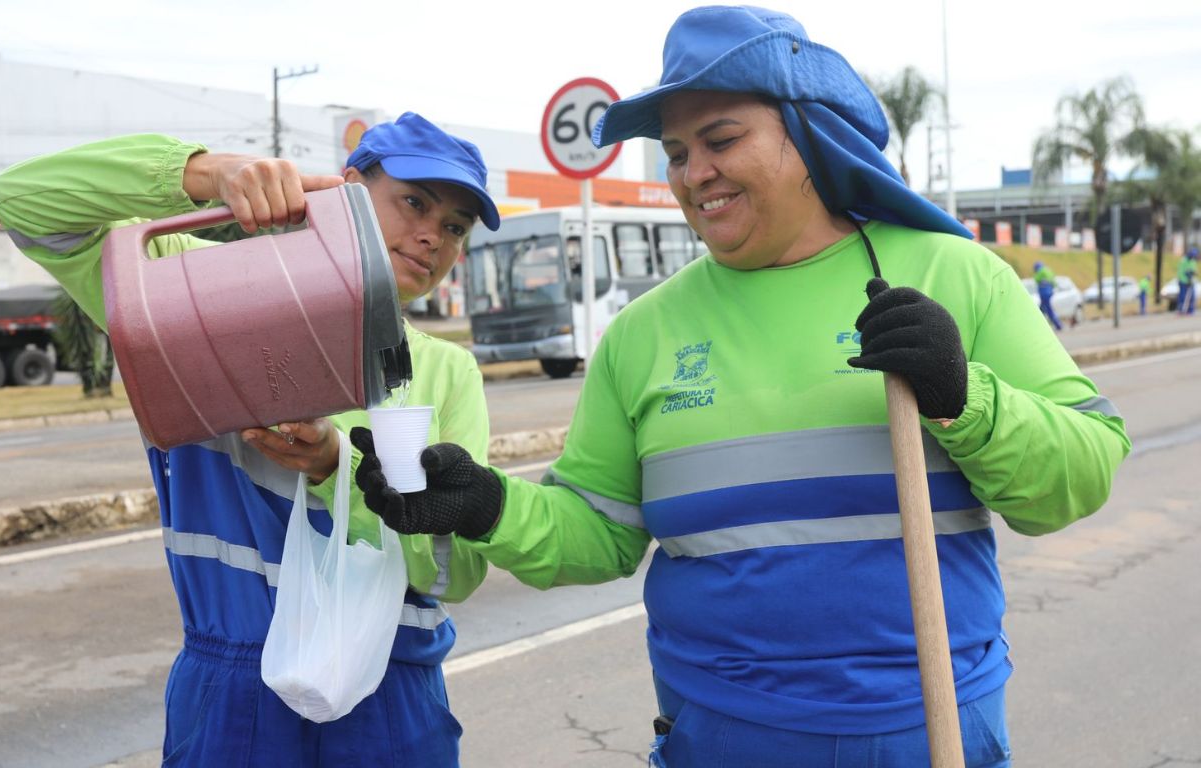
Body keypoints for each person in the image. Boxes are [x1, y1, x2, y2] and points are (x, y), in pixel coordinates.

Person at [351, 7, 1131, 767]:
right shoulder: (642, 334)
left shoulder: (949, 275)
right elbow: (599, 535)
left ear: (809, 135)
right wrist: (489, 503)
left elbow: (1080, 474)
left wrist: (966, 398)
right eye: (677, 152)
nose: (695, 174)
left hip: (929, 733)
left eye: (721, 140)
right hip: (716, 735)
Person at [0, 112, 501, 767]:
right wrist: (208, 173)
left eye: (454, 226)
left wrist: (336, 468)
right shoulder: (189, 292)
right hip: (236, 687)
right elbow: (25, 204)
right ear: (343, 191)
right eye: (413, 201)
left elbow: (455, 572)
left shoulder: (448, 372)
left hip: (392, 682)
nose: (431, 234)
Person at [1033, 260, 1062, 330]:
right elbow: (1054, 281)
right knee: (1043, 309)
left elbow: (1036, 279)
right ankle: (1040, 325)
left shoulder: (1040, 271)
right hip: (1049, 292)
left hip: (1044, 293)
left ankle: (1057, 325)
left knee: (1047, 310)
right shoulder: (1048, 270)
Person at [1178, 248, 1197, 315]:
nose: (1192, 257)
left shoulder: (1193, 261)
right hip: (1183, 281)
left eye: (1193, 256)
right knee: (1182, 296)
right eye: (1192, 255)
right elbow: (1181, 272)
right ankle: (1181, 310)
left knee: (1192, 296)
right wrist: (1186, 279)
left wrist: (1193, 273)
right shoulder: (1184, 260)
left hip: (1191, 281)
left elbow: (1194, 270)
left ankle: (1190, 310)